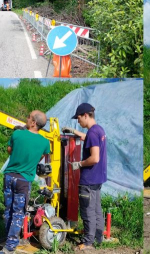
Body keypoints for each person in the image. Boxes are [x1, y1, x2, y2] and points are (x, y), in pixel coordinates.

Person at [2, 110, 51, 254]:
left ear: (33, 122)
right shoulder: (44, 142)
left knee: (8, 210)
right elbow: (41, 156)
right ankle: (10, 246)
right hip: (24, 181)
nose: (26, 118)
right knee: (18, 213)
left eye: (29, 117)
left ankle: (7, 238)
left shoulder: (17, 134)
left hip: (9, 177)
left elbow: (10, 150)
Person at [62, 103, 107, 251]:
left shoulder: (93, 133)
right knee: (96, 210)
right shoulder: (98, 130)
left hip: (88, 179)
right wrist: (75, 132)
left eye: (79, 118)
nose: (78, 121)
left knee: (87, 212)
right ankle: (99, 238)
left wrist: (79, 164)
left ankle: (87, 243)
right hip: (98, 178)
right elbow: (89, 139)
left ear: (86, 115)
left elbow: (94, 158)